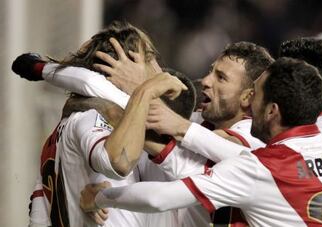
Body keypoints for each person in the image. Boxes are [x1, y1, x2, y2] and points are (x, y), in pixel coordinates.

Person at [80, 57, 322, 226]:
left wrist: (103, 196)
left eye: (257, 97)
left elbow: (160, 198)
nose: (250, 103)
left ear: (272, 111)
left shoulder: (261, 168)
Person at [13, 40, 274, 226]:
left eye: (221, 78)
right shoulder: (199, 120)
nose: (206, 80)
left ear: (247, 97)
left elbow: (161, 140)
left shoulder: (253, 140)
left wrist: (141, 89)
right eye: (210, 71)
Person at [13, 21, 195, 227]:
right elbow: (117, 161)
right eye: (151, 57)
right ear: (125, 65)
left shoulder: (64, 130)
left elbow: (38, 218)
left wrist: (106, 197)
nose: (159, 69)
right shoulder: (90, 119)